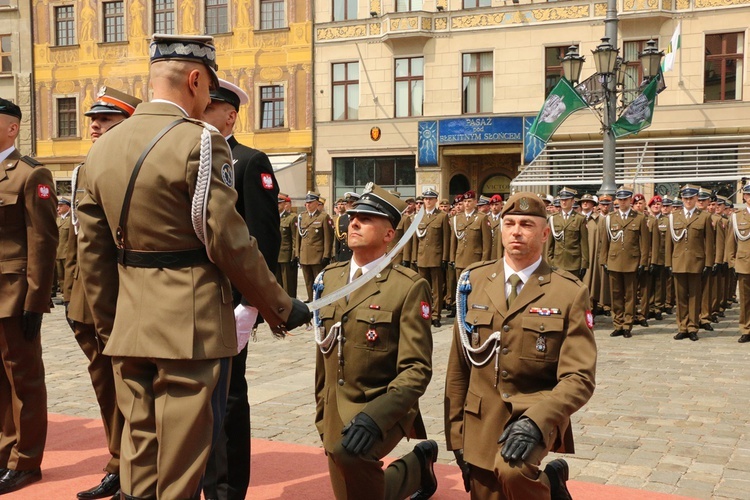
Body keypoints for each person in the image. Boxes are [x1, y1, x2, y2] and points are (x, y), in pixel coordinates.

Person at [76, 34, 311, 499]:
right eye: (208, 88)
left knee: (139, 461)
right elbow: (229, 241)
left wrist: (110, 326)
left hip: (130, 328)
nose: (207, 99)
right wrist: (279, 305)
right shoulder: (201, 142)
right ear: (196, 78)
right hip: (190, 327)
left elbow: (93, 255)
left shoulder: (102, 149)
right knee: (182, 468)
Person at [445, 192, 597, 499]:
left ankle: (548, 489)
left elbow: (579, 378)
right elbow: (459, 369)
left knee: (513, 471)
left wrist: (536, 421)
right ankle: (550, 486)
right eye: (510, 223)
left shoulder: (568, 291)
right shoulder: (472, 282)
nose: (516, 231)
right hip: (480, 415)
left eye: (526, 224)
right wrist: (456, 435)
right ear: (500, 229)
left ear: (544, 233)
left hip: (535, 410)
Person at [313, 183, 438, 500]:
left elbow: (416, 370)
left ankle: (414, 465)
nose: (353, 222)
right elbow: (324, 350)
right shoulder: (330, 278)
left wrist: (374, 418)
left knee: (352, 458)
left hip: (380, 405)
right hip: (335, 406)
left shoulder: (408, 287)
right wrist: (320, 409)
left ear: (388, 235)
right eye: (353, 215)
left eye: (366, 218)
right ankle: (418, 466)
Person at [202, 77, 283, 500]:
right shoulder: (190, 156)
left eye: (209, 107)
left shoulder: (250, 162)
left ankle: (231, 486)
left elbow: (264, 239)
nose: (199, 110)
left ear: (230, 115)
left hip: (231, 302)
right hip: (193, 298)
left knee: (230, 396)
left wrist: (252, 305)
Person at [64, 86, 142, 500]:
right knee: (105, 387)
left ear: (128, 123)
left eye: (105, 120)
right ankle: (117, 460)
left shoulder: (134, 167)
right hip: (86, 301)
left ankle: (131, 467)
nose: (94, 125)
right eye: (92, 119)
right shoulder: (84, 167)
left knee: (130, 388)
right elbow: (77, 239)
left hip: (122, 297)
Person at [0, 98, 58, 495]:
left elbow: (43, 239)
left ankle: (26, 462)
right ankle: (4, 452)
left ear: (12, 128)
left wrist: (36, 300)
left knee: (24, 381)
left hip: (13, 292)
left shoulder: (29, 174)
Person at [666, 184, 715, 341]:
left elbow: (709, 242)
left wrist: (708, 263)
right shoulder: (674, 217)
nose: (688, 201)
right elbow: (668, 243)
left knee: (694, 296)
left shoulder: (704, 217)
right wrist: (668, 263)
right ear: (682, 199)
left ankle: (693, 326)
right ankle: (682, 326)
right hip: (678, 261)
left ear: (696, 199)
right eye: (685, 198)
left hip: (696, 262)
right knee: (680, 297)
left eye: (691, 198)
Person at [599, 186, 649, 338]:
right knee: (616, 295)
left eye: (625, 199)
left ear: (630, 200)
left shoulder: (639, 218)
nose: (622, 202)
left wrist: (643, 262)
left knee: (630, 295)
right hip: (614, 260)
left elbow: (645, 243)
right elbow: (605, 242)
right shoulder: (610, 218)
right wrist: (604, 260)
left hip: (631, 261)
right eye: (620, 199)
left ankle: (627, 324)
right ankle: (618, 323)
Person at [411, 189, 450, 328]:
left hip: (436, 257)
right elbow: (415, 239)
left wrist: (445, 258)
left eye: (430, 199)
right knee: (422, 289)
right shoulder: (418, 216)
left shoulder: (442, 216)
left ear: (435, 201)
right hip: (421, 257)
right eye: (425, 199)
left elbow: (446, 238)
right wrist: (414, 257)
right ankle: (424, 314)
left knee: (436, 289)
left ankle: (435, 315)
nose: (427, 201)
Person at [297, 191, 333, 301]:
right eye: (306, 203)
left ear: (317, 203)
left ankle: (319, 299)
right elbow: (298, 237)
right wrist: (297, 254)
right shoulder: (302, 217)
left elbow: (328, 238)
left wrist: (326, 255)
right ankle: (310, 298)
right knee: (308, 280)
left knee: (318, 280)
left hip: (317, 255)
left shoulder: (323, 217)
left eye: (311, 202)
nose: (308, 205)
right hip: (304, 254)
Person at [725, 185, 750, 343]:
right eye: (749, 195)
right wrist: (732, 263)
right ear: (745, 197)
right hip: (744, 263)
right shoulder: (736, 217)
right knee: (745, 299)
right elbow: (730, 243)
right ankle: (746, 328)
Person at [546, 187, 589, 280]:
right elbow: (550, 244)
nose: (564, 202)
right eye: (562, 200)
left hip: (574, 263)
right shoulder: (553, 219)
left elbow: (584, 243)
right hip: (557, 262)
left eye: (566, 200)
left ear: (573, 201)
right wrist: (550, 261)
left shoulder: (580, 218)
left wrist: (584, 264)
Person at [276, 193, 299, 298]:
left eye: (280, 203)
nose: (277, 205)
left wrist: (294, 255)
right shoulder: (272, 217)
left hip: (286, 255)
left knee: (288, 286)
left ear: (285, 204)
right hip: (275, 255)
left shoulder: (291, 218)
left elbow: (295, 238)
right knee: (277, 285)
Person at [55, 197, 72, 298]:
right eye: (58, 206)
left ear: (68, 207)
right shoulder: (57, 220)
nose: (58, 208)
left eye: (61, 206)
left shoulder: (71, 219)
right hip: (58, 252)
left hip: (67, 253)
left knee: (68, 276)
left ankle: (68, 295)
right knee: (60, 276)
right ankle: (63, 294)